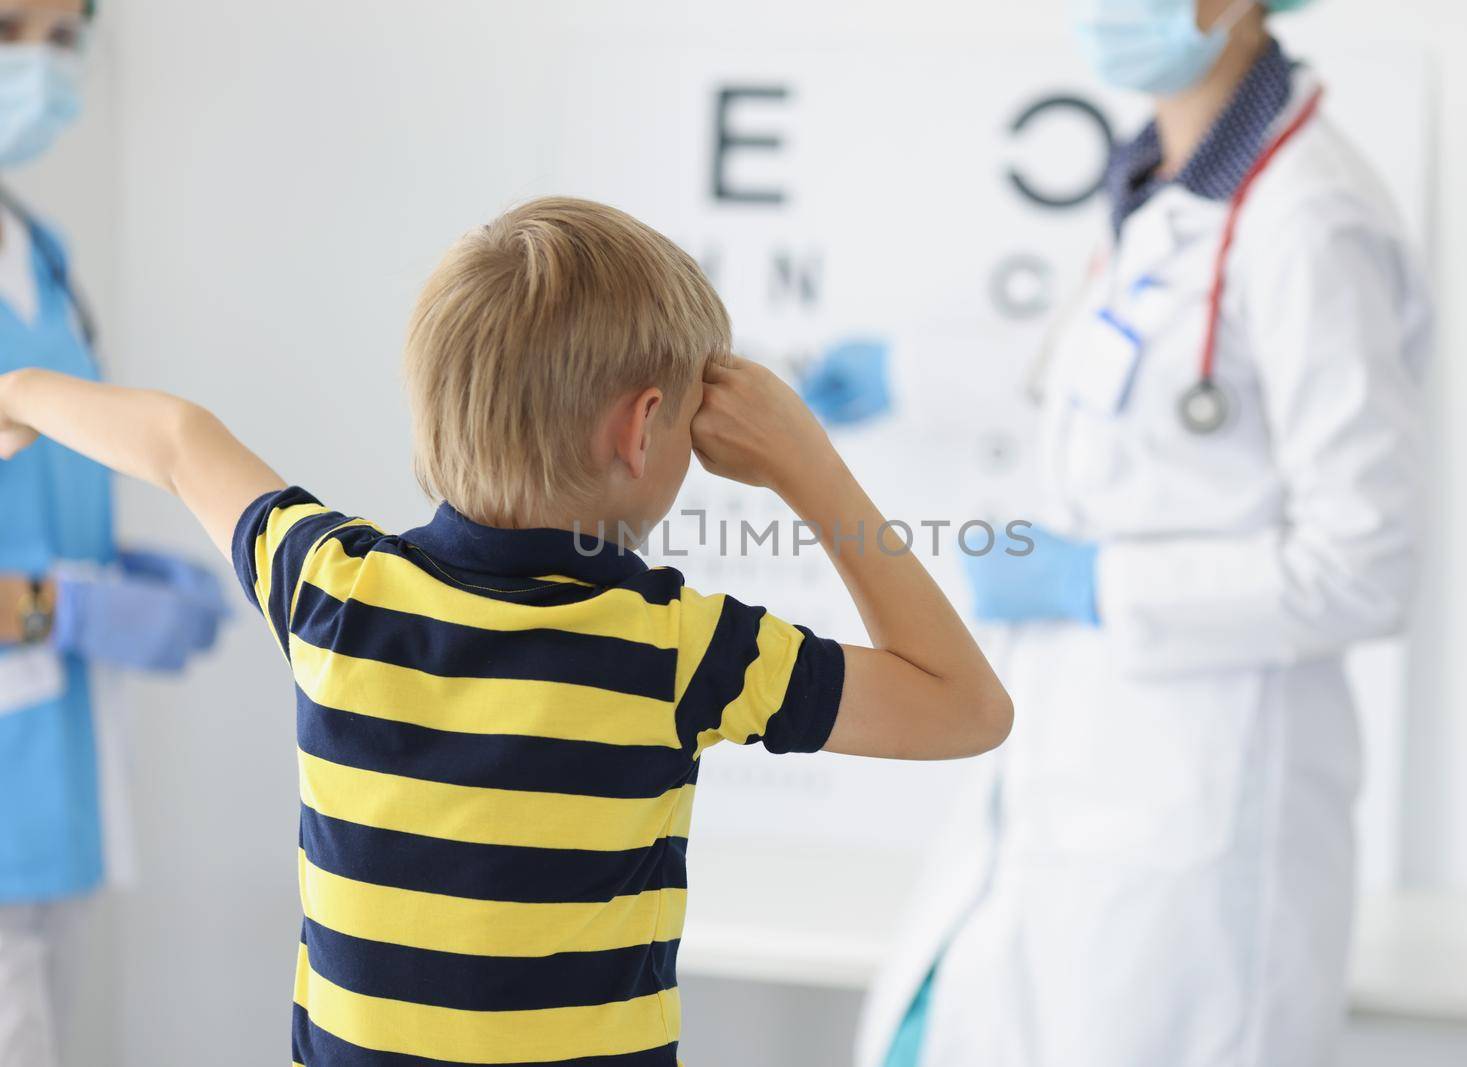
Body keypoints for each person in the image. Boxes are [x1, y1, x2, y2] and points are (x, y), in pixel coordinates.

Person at [0, 196, 1013, 1065]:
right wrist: (808, 466)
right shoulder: (678, 649)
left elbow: (178, 440)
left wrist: (20, 395)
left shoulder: (334, 589)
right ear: (641, 425)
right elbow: (965, 706)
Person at [857, 1, 1432, 1065]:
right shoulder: (1164, 187)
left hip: (1202, 823)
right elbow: (1105, 370)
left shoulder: (1310, 219)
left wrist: (1096, 584)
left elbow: (1365, 566)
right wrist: (902, 372)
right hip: (1072, 773)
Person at [0, 2, 226, 1063]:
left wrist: (116, 569)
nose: (40, 66)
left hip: (52, 774)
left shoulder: (38, 250)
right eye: (10, 29)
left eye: (60, 36)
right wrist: (59, 605)